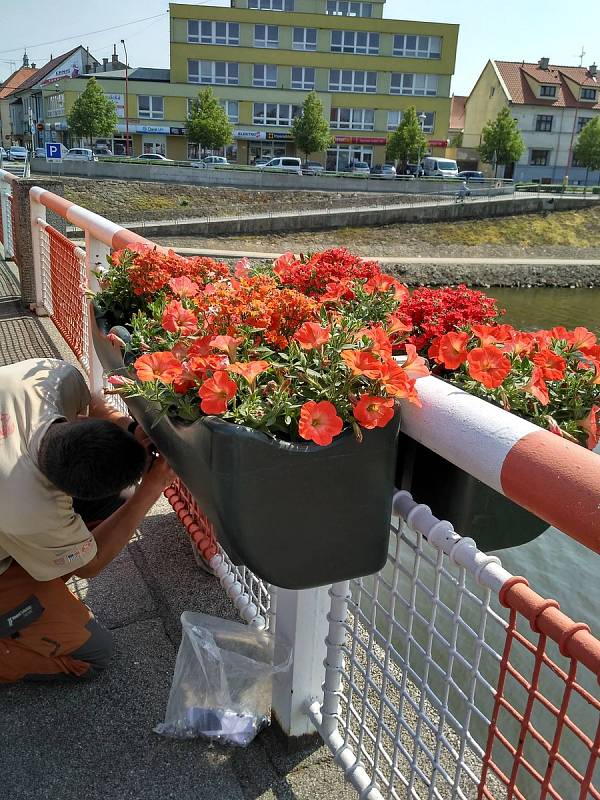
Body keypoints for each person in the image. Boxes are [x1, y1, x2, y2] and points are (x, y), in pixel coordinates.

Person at [0, 358, 174, 683]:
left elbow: (93, 403)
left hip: (13, 518)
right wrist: (150, 490)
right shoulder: (29, 513)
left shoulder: (51, 379)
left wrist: (132, 430)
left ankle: (44, 567)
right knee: (93, 655)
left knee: (118, 503)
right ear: (59, 496)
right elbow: (88, 565)